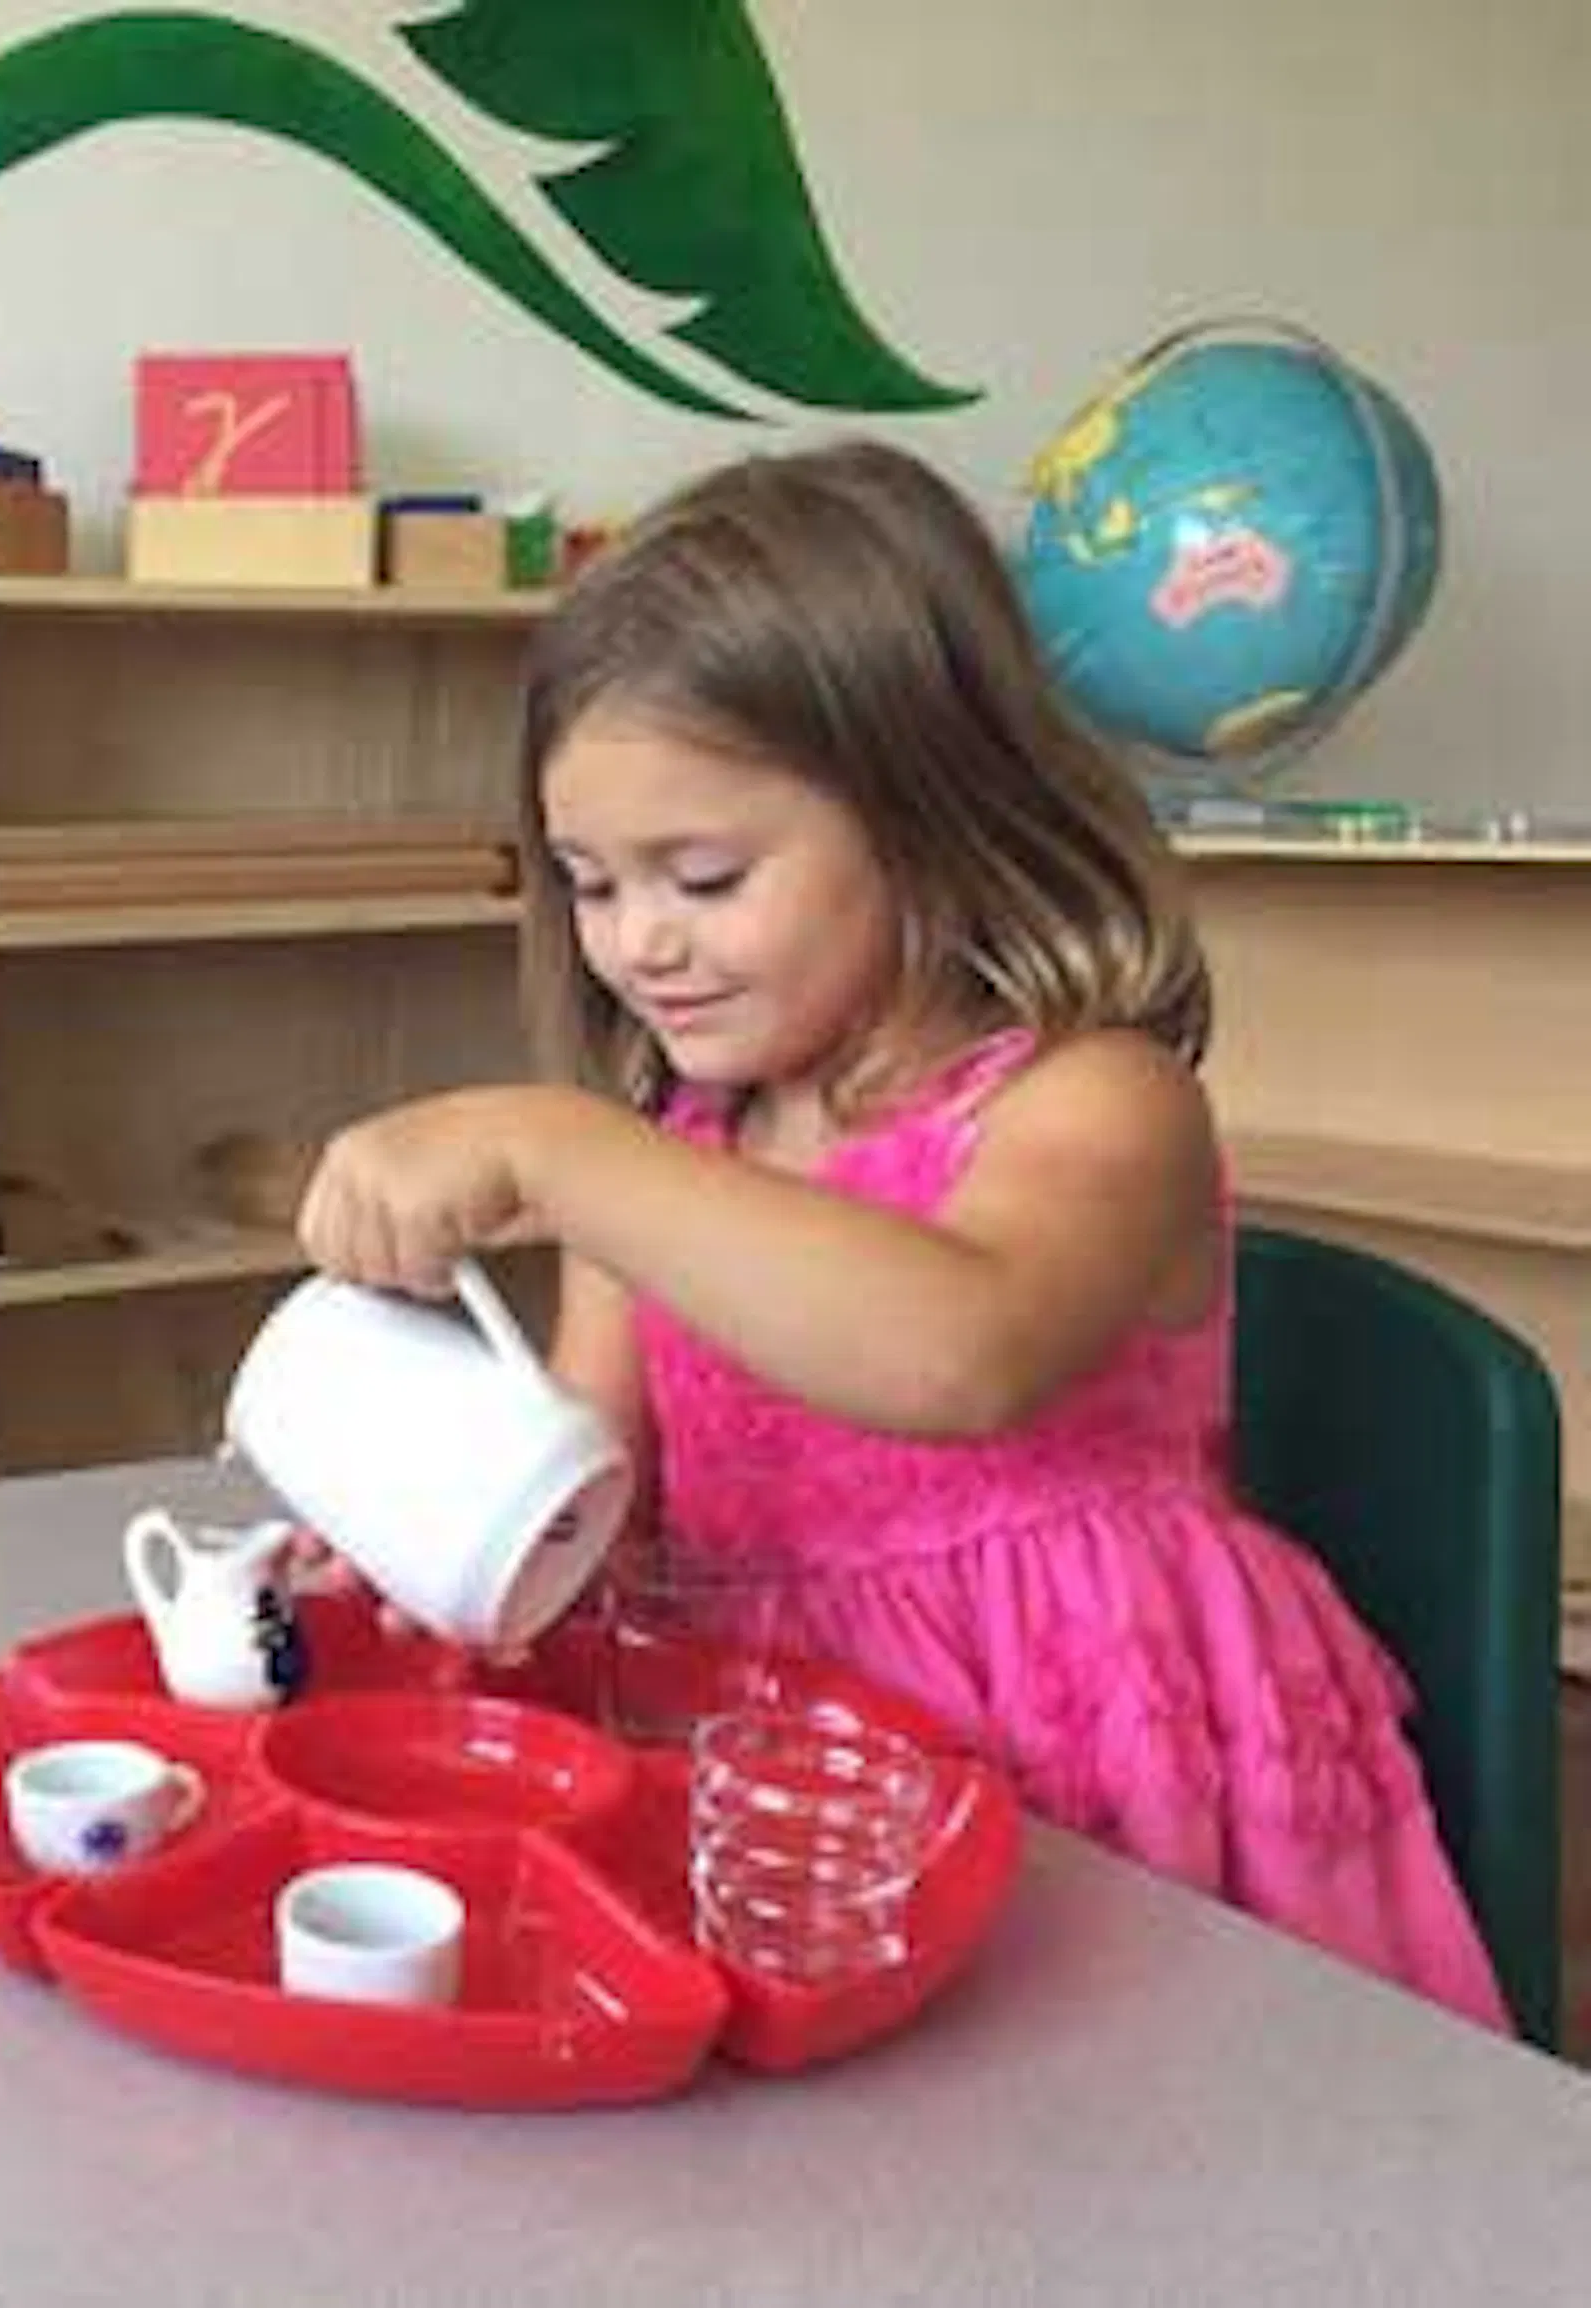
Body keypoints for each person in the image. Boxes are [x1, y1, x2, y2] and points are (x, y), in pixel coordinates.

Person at [293, 440, 1508, 2028]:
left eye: (704, 876)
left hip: (1113, 1808)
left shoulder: (1097, 1106)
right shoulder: (661, 1163)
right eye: (591, 884)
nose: (639, 943)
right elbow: (592, 1501)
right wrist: (449, 1533)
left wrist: (561, 1147)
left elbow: (961, 1349)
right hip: (785, 1791)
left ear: (929, 818)